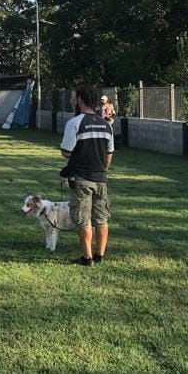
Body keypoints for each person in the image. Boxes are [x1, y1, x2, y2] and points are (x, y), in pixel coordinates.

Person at [60, 84, 115, 267]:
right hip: (101, 178)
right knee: (101, 218)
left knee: (83, 219)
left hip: (81, 179)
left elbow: (66, 152)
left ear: (81, 100)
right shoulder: (106, 125)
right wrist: (103, 169)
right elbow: (109, 153)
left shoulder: (75, 123)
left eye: (76, 98)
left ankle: (87, 258)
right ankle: (100, 255)